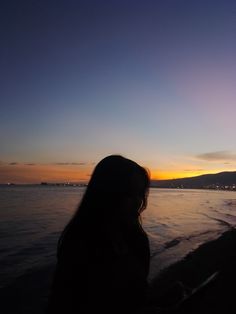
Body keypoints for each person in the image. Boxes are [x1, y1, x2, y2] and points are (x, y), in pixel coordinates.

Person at [47, 155, 151, 314]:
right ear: (107, 193)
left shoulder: (136, 237)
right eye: (129, 193)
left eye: (139, 193)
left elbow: (138, 295)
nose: (138, 201)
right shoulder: (79, 244)